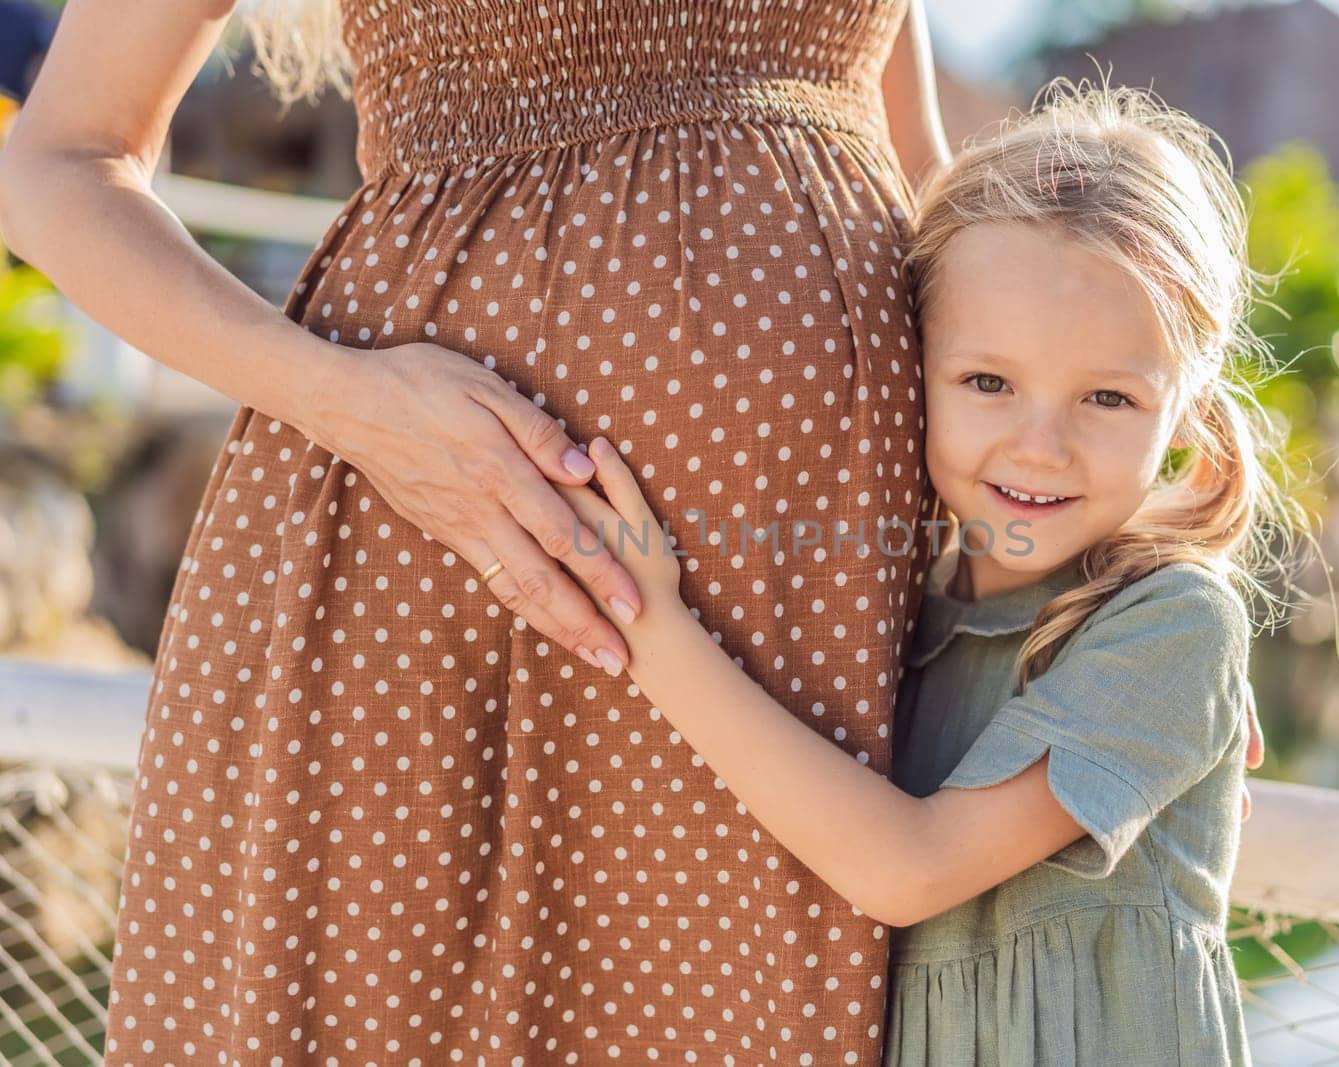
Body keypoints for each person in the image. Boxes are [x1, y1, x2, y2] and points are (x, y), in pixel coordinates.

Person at [0, 0, 957, 1061]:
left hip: (817, 596)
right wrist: (344, 400)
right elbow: (57, 163)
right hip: (435, 556)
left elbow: (926, 176)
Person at [552, 78, 1307, 1064]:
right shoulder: (886, 607)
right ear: (914, 367)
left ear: (1188, 404)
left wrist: (652, 629)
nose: (1040, 447)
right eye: (987, 382)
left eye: (1108, 398)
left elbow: (905, 869)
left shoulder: (1171, 623)